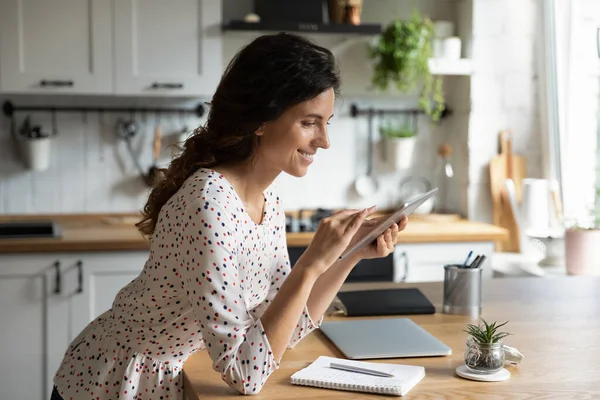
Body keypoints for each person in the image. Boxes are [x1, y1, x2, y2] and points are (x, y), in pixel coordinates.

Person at [50, 32, 408, 400]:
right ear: (260, 120)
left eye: (326, 122)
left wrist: (349, 255)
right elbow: (244, 374)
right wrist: (311, 263)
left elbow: (281, 328)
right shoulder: (209, 205)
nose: (324, 140)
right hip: (112, 382)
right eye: (309, 122)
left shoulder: (267, 199)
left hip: (170, 377)